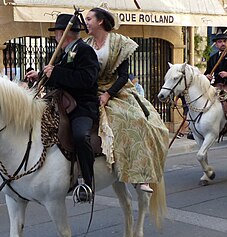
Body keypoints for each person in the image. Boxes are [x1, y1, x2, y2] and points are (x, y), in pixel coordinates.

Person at [85, 7, 169, 193]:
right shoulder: (85, 43)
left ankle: (142, 176)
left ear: (100, 21)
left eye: (89, 18)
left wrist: (108, 95)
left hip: (116, 90)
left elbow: (123, 76)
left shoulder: (120, 43)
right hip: (89, 90)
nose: (86, 22)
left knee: (134, 120)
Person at [26, 13, 100, 202]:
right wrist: (40, 75)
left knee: (80, 135)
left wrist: (56, 73)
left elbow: (86, 79)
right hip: (60, 104)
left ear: (63, 33)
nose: (55, 37)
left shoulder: (85, 50)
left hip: (81, 106)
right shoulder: (63, 52)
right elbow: (56, 74)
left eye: (57, 33)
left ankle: (87, 183)